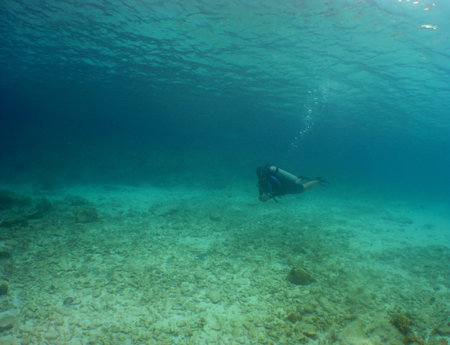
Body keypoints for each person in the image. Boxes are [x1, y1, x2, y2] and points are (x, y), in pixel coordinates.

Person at [256, 164, 328, 202]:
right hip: (284, 186)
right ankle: (299, 179)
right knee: (301, 186)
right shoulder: (263, 178)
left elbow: (280, 190)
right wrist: (260, 195)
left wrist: (269, 197)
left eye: (262, 177)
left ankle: (318, 180)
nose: (261, 179)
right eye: (260, 177)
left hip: (287, 186)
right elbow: (260, 185)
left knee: (303, 187)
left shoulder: (272, 179)